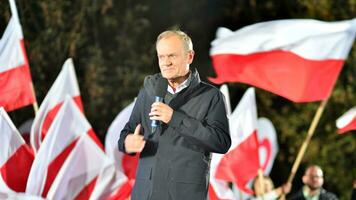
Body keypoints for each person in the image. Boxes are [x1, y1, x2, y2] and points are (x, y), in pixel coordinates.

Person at [118, 30, 231, 200]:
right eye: (161, 57)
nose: (166, 63)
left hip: (184, 194)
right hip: (146, 193)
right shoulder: (148, 92)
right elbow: (127, 133)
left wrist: (175, 118)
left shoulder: (211, 96)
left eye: (172, 56)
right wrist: (127, 142)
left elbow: (221, 142)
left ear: (190, 56)